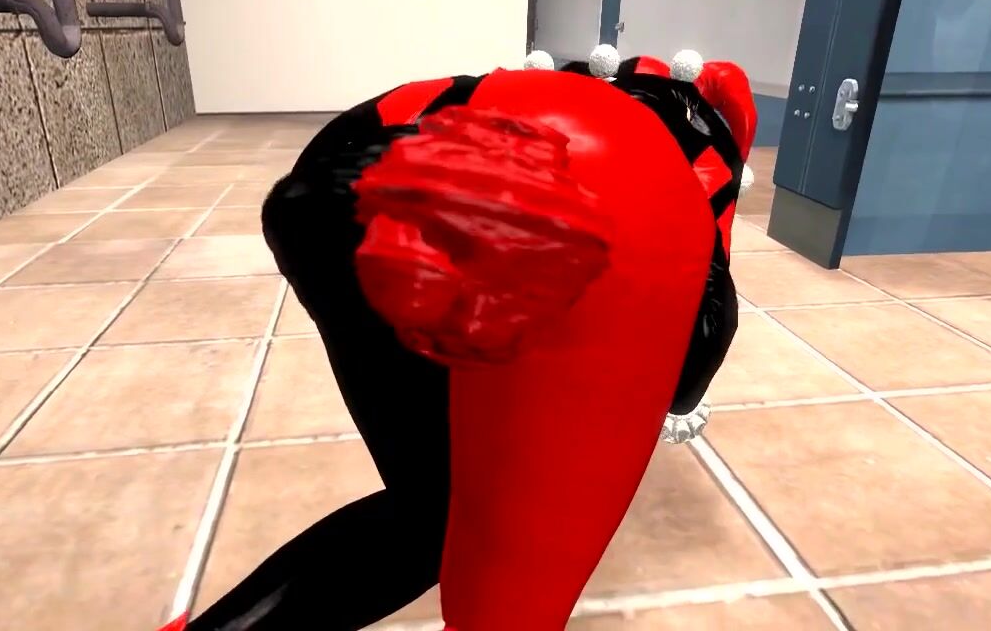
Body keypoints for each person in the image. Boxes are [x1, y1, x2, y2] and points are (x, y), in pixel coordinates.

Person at [165, 46, 758, 631]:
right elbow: (696, 359)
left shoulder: (587, 94)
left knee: (431, 510)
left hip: (320, 186)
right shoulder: (684, 162)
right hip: (537, 189)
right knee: (488, 570)